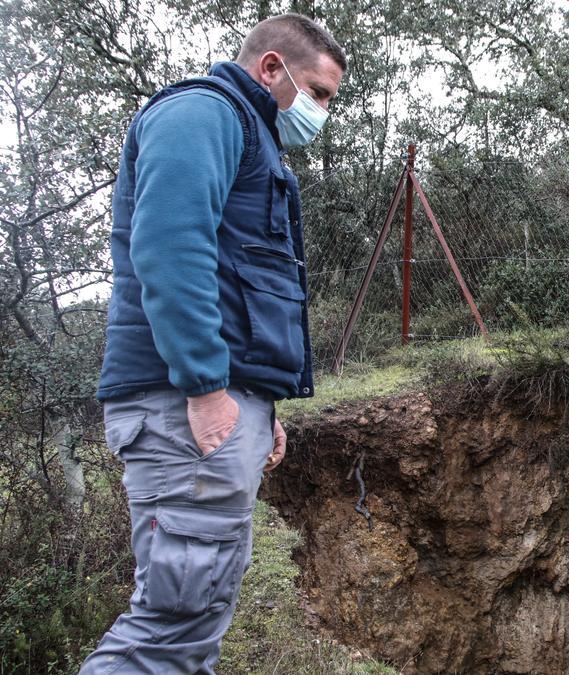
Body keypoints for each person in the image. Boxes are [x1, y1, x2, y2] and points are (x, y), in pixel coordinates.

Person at [80, 14, 345, 674]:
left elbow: (241, 286)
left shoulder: (249, 134)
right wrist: (204, 384)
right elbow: (170, 247)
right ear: (272, 68)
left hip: (212, 404)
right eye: (318, 92)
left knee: (192, 630)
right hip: (181, 406)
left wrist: (261, 405)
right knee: (167, 635)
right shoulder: (203, 114)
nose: (320, 112)